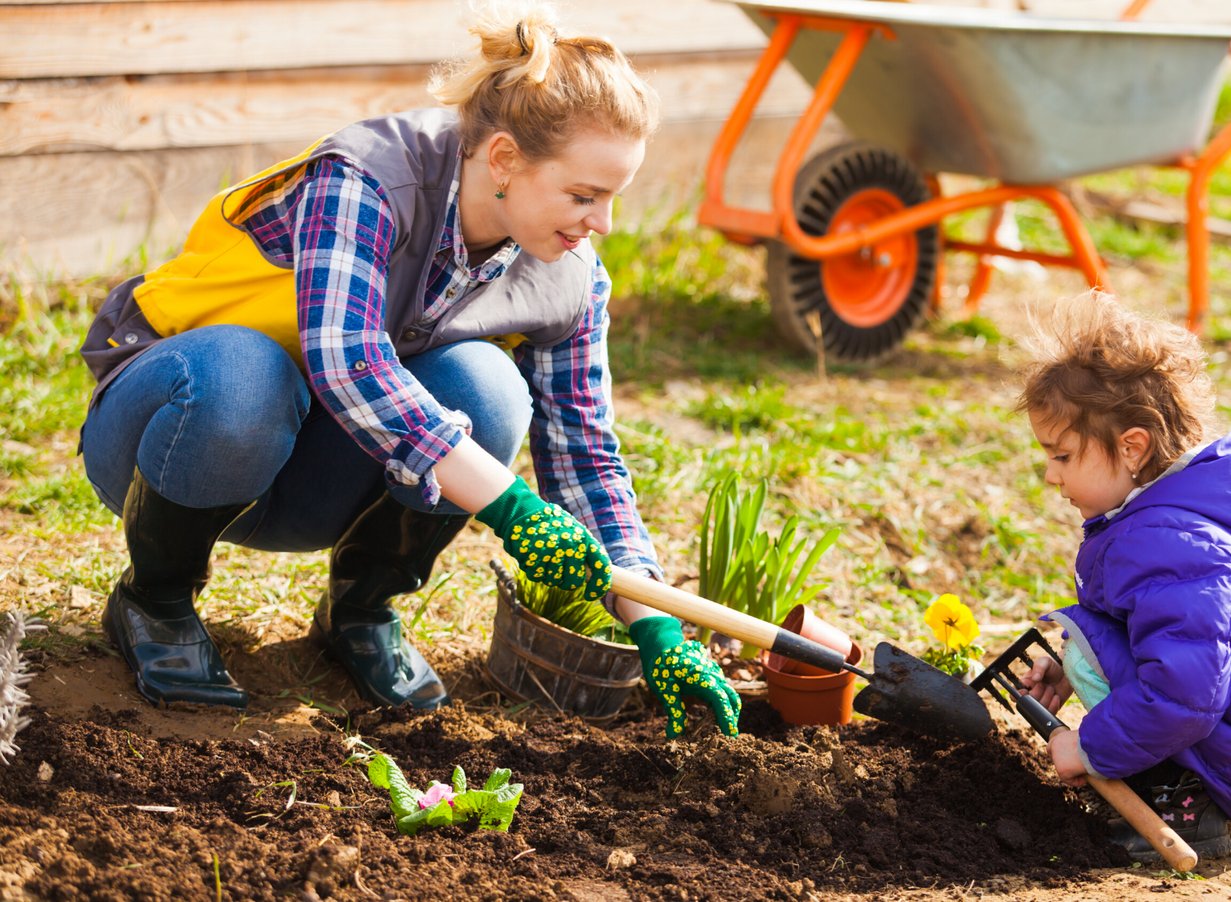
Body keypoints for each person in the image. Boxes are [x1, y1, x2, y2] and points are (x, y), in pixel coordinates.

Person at [76, 0, 740, 739]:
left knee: (488, 390)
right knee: (246, 372)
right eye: (584, 195)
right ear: (504, 160)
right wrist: (512, 508)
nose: (603, 224)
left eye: (613, 198)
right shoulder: (367, 178)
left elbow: (585, 454)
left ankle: (361, 609)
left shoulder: (570, 273)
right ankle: (156, 599)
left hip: (314, 474)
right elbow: (348, 362)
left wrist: (657, 629)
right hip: (167, 436)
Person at [1013, 293, 1231, 861]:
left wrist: (1088, 748)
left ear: (1132, 446)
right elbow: (1165, 637)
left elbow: (1186, 693)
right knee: (1088, 640)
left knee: (1115, 657)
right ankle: (1175, 778)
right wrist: (1076, 665)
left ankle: (1180, 805)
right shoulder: (1191, 506)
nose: (1050, 475)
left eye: (1063, 456)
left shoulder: (1165, 539)